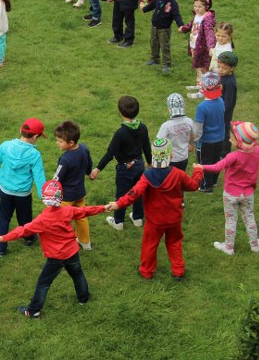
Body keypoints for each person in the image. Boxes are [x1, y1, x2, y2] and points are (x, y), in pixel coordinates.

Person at [0, 180, 106, 318]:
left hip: (56, 257)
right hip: (72, 251)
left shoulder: (42, 220)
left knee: (43, 283)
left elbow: (22, 230)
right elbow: (85, 211)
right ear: (61, 197)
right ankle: (84, 298)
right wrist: (104, 207)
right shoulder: (67, 210)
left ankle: (33, 310)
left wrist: (2, 238)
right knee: (77, 274)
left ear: (43, 198)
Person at [105, 139, 203, 280]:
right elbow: (193, 185)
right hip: (174, 218)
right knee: (174, 243)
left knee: (149, 245)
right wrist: (198, 171)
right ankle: (178, 271)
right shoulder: (178, 173)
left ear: (153, 156)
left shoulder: (147, 176)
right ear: (170, 155)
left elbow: (134, 193)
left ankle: (146, 271)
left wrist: (118, 204)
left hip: (154, 221)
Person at [0, 118, 47, 257]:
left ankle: (0, 248)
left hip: (5, 191)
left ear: (20, 130)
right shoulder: (35, 155)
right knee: (25, 218)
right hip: (23, 195)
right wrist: (44, 196)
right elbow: (39, 177)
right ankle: (29, 238)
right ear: (36, 136)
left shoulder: (6, 146)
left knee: (4, 218)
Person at [196, 121, 259, 255]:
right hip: (248, 194)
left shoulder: (233, 156)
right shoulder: (258, 151)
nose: (230, 139)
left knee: (231, 220)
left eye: (233, 138)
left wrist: (201, 167)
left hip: (231, 194)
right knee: (249, 218)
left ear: (240, 141)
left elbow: (216, 167)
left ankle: (229, 247)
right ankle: (255, 245)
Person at [89, 95, 152, 230]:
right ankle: (138, 218)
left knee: (122, 194)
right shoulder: (143, 127)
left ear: (120, 112)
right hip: (140, 165)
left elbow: (110, 153)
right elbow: (147, 146)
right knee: (138, 191)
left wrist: (97, 169)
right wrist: (150, 162)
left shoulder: (121, 133)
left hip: (125, 169)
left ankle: (118, 221)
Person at [52, 121, 94, 250]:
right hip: (80, 193)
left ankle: (61, 244)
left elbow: (57, 178)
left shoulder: (65, 159)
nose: (57, 143)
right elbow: (89, 164)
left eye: (60, 141)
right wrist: (88, 172)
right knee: (81, 218)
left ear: (70, 143)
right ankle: (85, 242)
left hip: (66, 197)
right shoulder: (84, 148)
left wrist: (52, 191)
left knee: (61, 220)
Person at [141, 0, 183, 73]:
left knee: (164, 46)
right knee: (154, 43)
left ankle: (166, 64)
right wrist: (144, 9)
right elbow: (151, 6)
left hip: (164, 29)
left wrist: (180, 25)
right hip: (154, 27)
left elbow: (177, 15)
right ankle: (154, 59)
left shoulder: (173, 4)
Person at [192, 72, 225, 193]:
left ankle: (206, 185)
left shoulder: (202, 107)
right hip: (220, 139)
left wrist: (194, 140)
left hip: (206, 141)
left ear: (203, 88)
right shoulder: (221, 101)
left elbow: (198, 127)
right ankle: (214, 181)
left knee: (204, 162)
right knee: (216, 161)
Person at [179, 0, 216, 96]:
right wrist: (184, 28)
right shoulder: (197, 15)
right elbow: (192, 24)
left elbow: (209, 34)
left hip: (202, 48)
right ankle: (199, 84)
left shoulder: (207, 19)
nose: (196, 8)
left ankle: (202, 90)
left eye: (200, 6)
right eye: (195, 6)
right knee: (198, 67)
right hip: (194, 46)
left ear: (207, 7)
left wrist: (210, 47)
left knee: (202, 68)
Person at [156, 93, 196, 171]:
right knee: (181, 175)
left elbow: (159, 143)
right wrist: (189, 144)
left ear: (169, 109)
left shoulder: (166, 126)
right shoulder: (189, 121)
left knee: (171, 178)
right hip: (184, 157)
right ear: (184, 106)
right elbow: (193, 136)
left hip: (171, 159)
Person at [216, 51, 238, 157]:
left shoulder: (229, 83)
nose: (220, 70)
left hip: (224, 112)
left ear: (232, 68)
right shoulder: (223, 77)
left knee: (225, 131)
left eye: (223, 68)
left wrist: (221, 112)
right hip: (219, 109)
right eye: (219, 66)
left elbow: (228, 102)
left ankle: (224, 153)